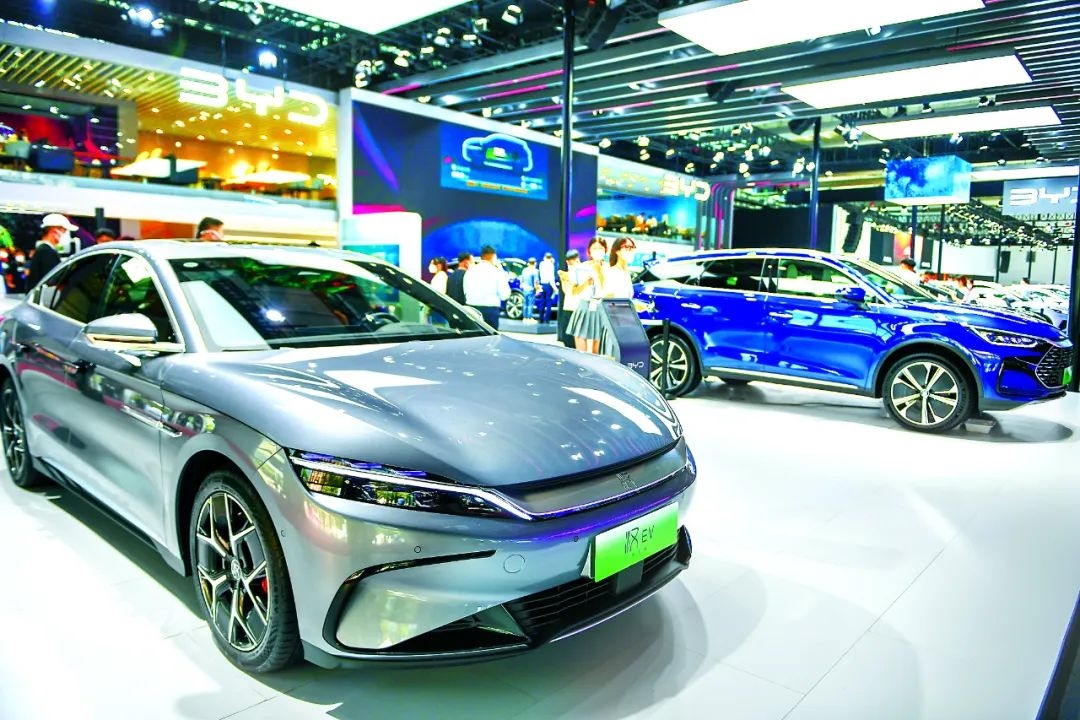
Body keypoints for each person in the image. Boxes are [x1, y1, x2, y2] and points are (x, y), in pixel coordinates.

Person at [567, 237, 609, 354]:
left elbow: (608, 289)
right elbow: (574, 291)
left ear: (605, 250)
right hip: (584, 306)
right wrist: (586, 283)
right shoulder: (581, 268)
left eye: (600, 248)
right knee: (580, 344)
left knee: (598, 348)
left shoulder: (609, 268)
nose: (597, 251)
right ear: (589, 250)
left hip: (601, 307)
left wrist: (599, 272)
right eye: (594, 248)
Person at [463, 245, 511, 329]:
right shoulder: (497, 272)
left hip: (472, 309)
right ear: (493, 256)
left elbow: (465, 291)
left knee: (473, 335)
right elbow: (505, 295)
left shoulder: (470, 271)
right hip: (490, 312)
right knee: (490, 336)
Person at [28, 213, 76, 287]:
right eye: (64, 231)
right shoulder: (46, 252)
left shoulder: (44, 249)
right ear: (54, 230)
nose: (66, 235)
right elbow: (52, 281)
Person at [536, 252, 557, 324]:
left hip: (542, 284)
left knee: (542, 302)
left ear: (545, 257)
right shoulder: (551, 265)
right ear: (551, 258)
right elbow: (551, 278)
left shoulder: (541, 264)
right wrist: (555, 288)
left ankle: (540, 318)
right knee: (549, 302)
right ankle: (547, 319)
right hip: (548, 285)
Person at [520, 257, 540, 323]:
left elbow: (522, 279)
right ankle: (529, 318)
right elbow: (536, 282)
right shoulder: (535, 271)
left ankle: (524, 318)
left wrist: (522, 285)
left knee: (525, 304)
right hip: (531, 289)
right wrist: (537, 290)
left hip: (525, 289)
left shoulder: (524, 270)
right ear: (535, 263)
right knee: (530, 304)